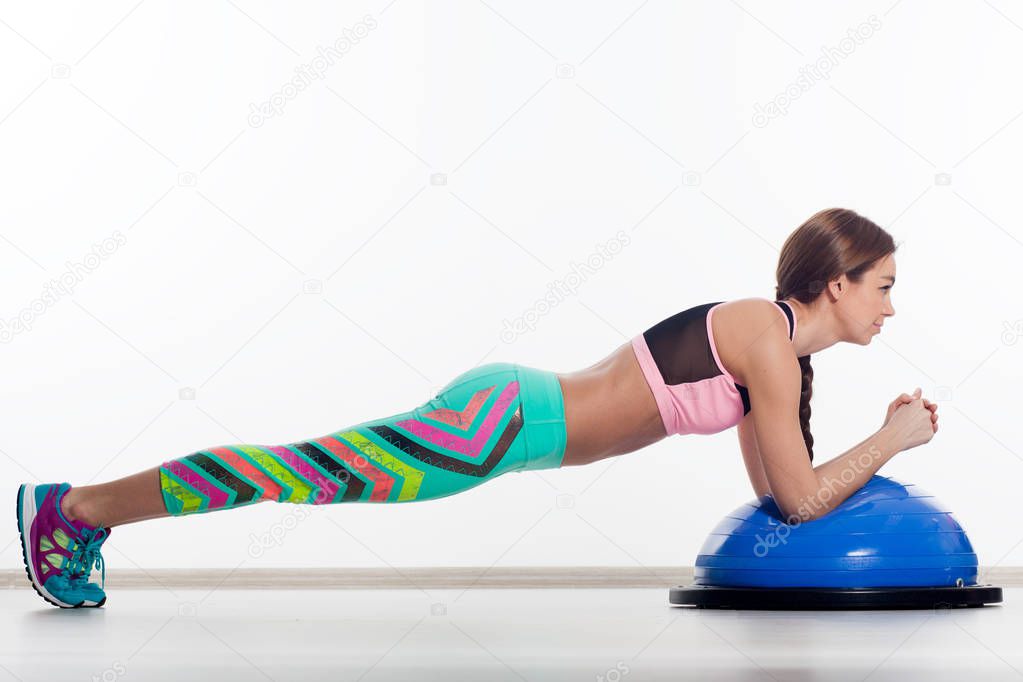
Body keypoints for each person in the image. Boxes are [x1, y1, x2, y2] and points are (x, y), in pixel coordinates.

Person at [16, 207, 939, 609]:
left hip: (508, 419)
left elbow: (785, 496)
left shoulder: (768, 355)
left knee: (295, 473)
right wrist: (894, 438)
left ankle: (81, 510)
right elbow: (807, 501)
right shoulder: (764, 343)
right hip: (500, 425)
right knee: (290, 473)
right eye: (883, 286)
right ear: (833, 281)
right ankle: (78, 508)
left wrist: (870, 444)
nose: (890, 306)